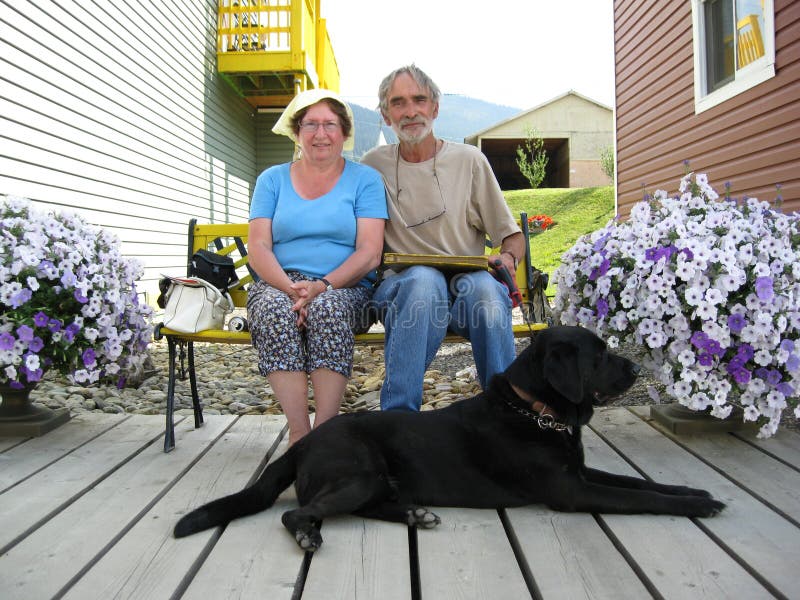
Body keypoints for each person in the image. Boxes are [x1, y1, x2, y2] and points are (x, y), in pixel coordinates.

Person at [361, 65, 526, 412]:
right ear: (386, 115)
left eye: (419, 100)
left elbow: (511, 236)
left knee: (485, 291)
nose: (410, 111)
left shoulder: (470, 161)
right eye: (398, 103)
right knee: (424, 280)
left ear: (435, 108)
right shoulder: (372, 165)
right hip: (402, 291)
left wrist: (508, 258)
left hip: (466, 291)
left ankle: (509, 414)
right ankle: (398, 419)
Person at [247, 89, 388, 444]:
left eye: (330, 124)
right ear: (296, 132)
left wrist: (321, 286)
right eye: (310, 124)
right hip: (280, 283)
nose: (320, 133)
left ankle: (324, 436)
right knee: (273, 310)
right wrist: (291, 289)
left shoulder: (366, 180)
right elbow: (258, 246)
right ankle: (299, 434)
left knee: (328, 310)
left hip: (345, 285)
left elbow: (370, 252)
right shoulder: (272, 180)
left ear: (344, 133)